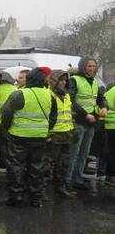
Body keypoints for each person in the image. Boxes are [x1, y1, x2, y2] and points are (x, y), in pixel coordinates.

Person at [2, 68, 57, 207]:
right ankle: (36, 198)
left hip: (18, 136)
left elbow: (6, 112)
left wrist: (6, 128)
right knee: (36, 167)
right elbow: (53, 116)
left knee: (16, 167)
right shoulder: (49, 95)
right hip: (39, 137)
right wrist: (45, 128)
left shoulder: (19, 94)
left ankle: (16, 196)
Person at [68, 57, 107, 191]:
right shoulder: (74, 80)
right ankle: (68, 180)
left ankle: (77, 178)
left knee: (84, 153)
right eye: (89, 66)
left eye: (93, 66)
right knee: (74, 152)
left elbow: (100, 98)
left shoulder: (95, 81)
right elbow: (71, 101)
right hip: (79, 121)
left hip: (91, 122)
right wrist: (85, 114)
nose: (91, 68)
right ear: (83, 66)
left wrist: (103, 107)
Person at [42, 70, 77, 198]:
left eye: (64, 80)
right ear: (53, 81)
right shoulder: (47, 94)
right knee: (47, 165)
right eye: (60, 80)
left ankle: (60, 188)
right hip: (52, 135)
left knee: (63, 164)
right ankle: (41, 190)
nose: (63, 82)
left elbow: (69, 114)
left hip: (66, 135)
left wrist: (73, 130)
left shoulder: (66, 95)